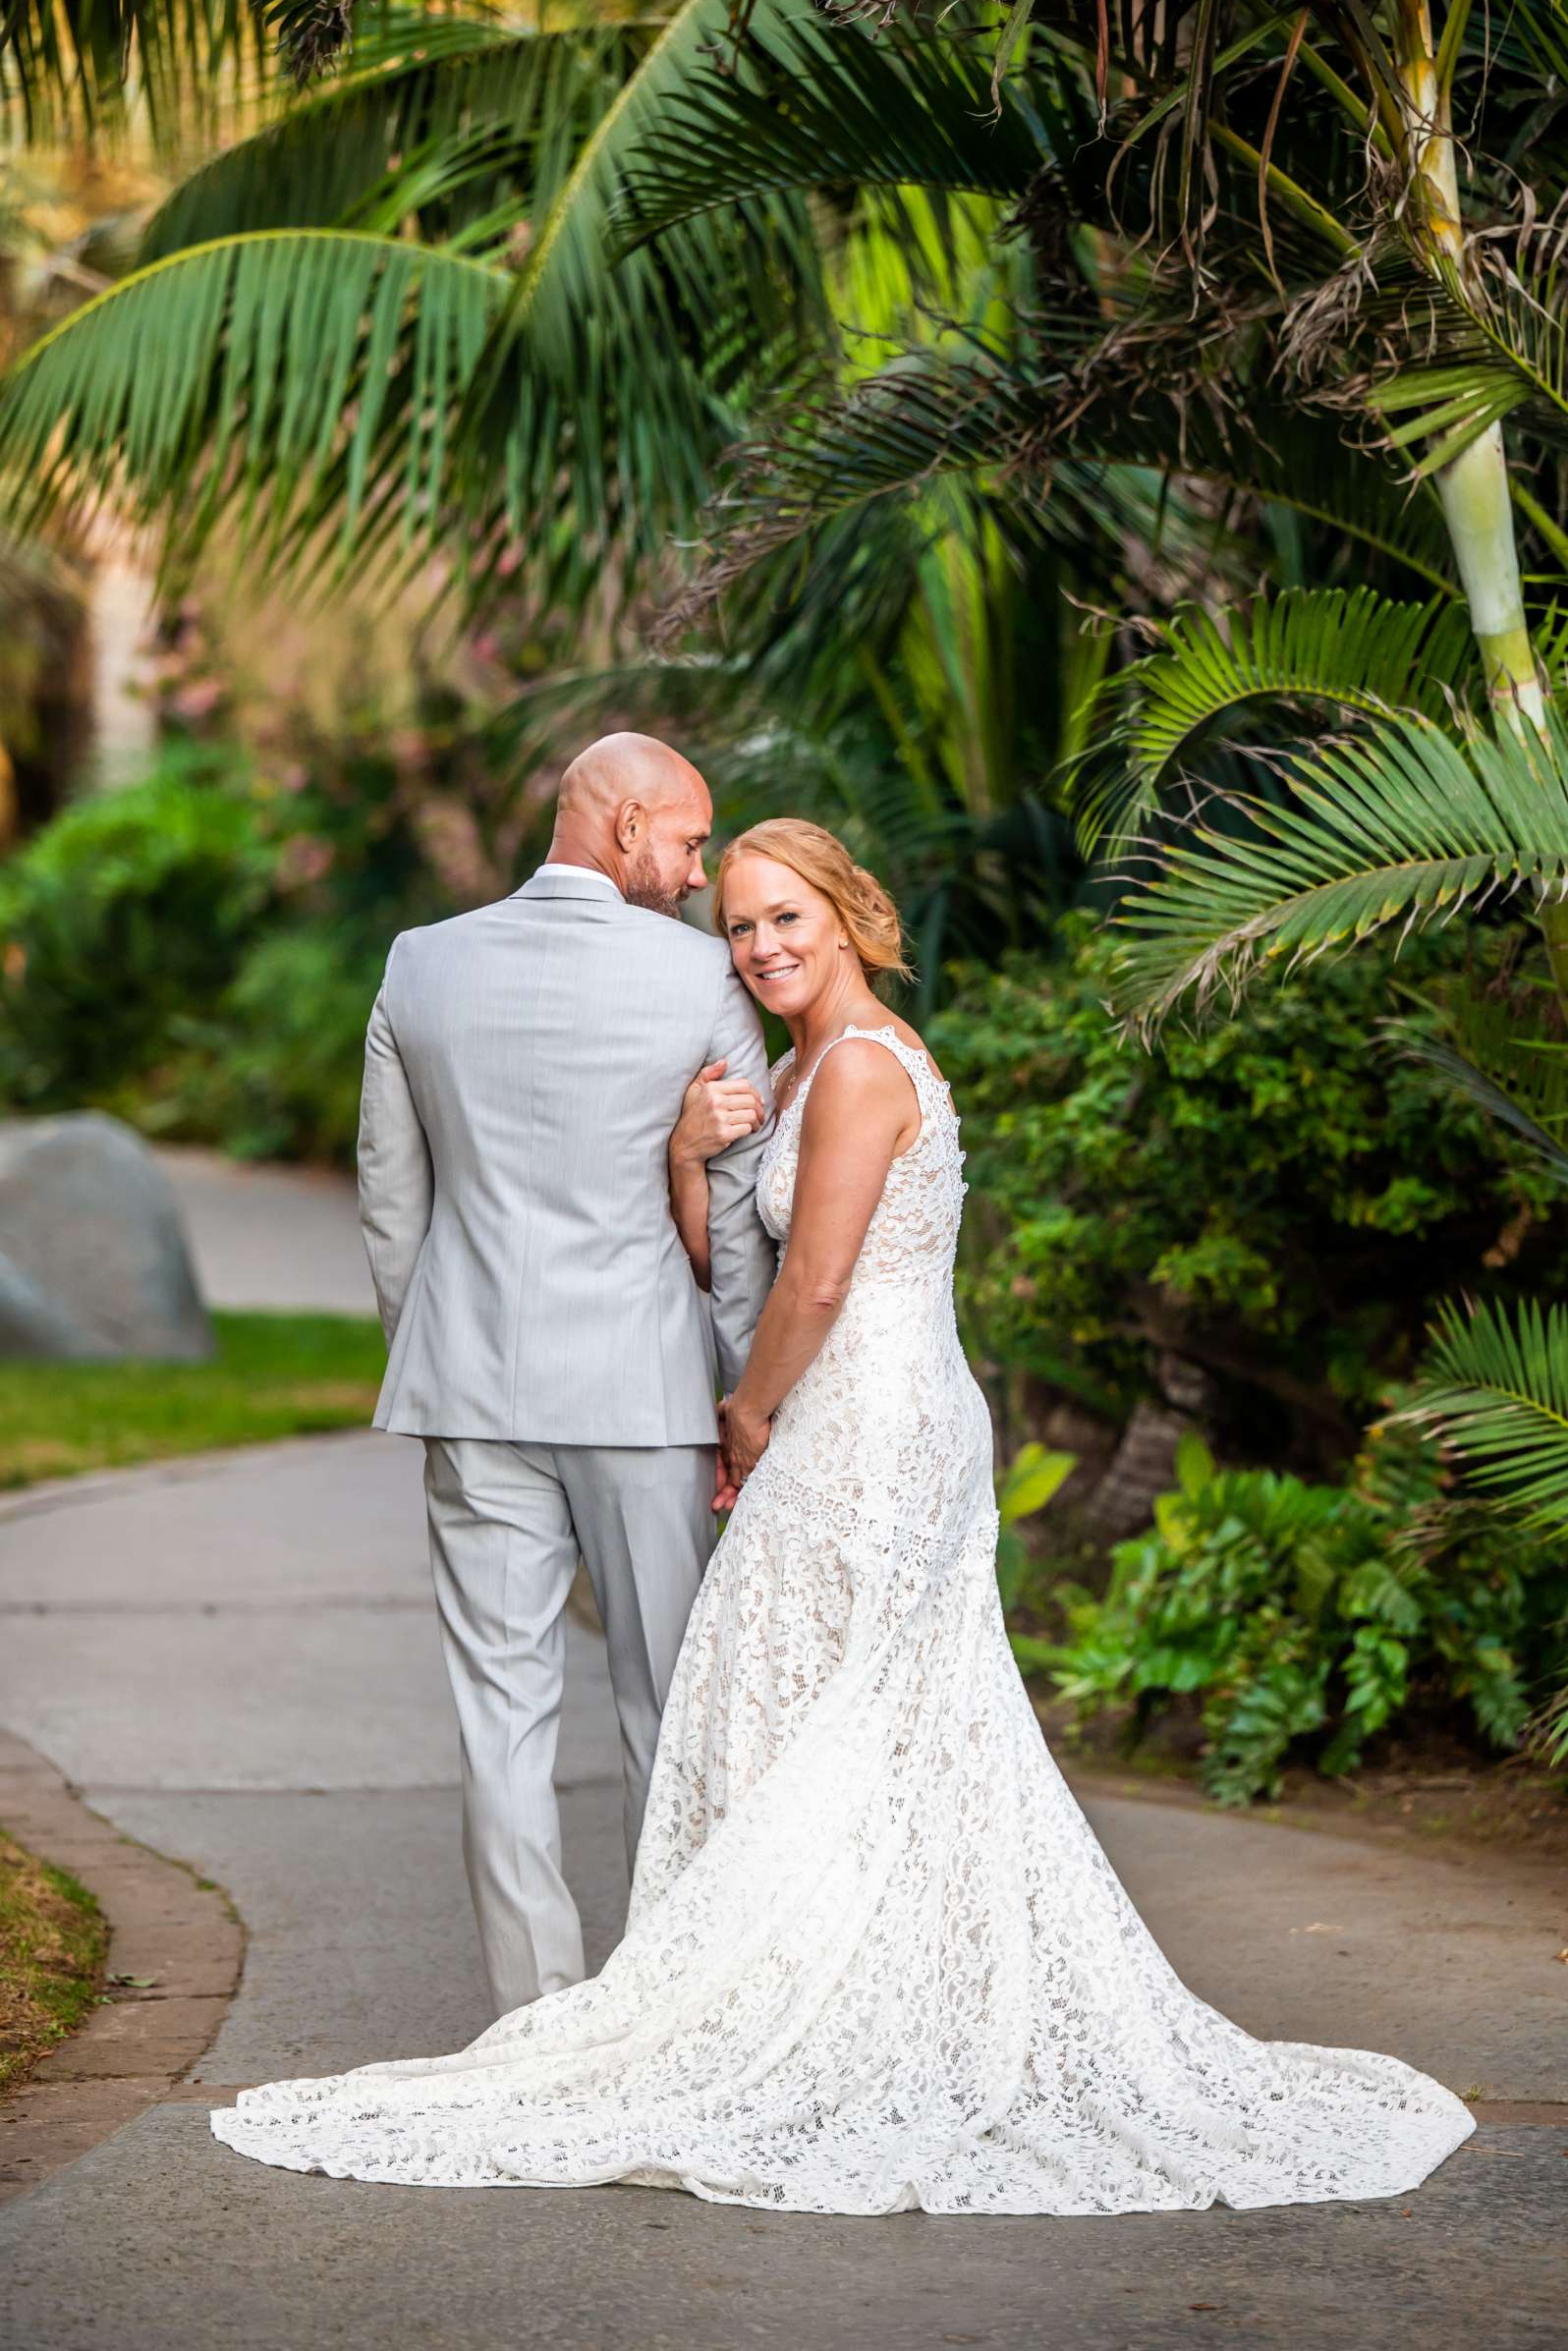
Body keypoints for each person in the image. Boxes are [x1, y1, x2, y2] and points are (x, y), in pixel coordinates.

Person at [212, 818, 1475, 2216]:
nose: (758, 948)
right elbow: (734, 1256)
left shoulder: (865, 1068)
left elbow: (812, 1286)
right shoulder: (797, 1066)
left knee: (857, 1709)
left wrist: (745, 1418)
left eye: (783, 920)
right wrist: (689, 1159)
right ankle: (827, 1994)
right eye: (740, 927)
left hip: (870, 1425)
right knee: (810, 1710)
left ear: (849, 913)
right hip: (822, 1413)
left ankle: (878, 2014)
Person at [350, 731, 775, 2019]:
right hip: (646, 1398)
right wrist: (749, 1398)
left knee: (501, 1721)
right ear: (623, 822)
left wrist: (435, 1349)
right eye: (691, 839)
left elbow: (389, 1203)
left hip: (471, 1389)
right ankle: (668, 2017)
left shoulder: (423, 966)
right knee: (669, 1710)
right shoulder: (702, 975)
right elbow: (745, 1209)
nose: (703, 875)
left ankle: (538, 2027)